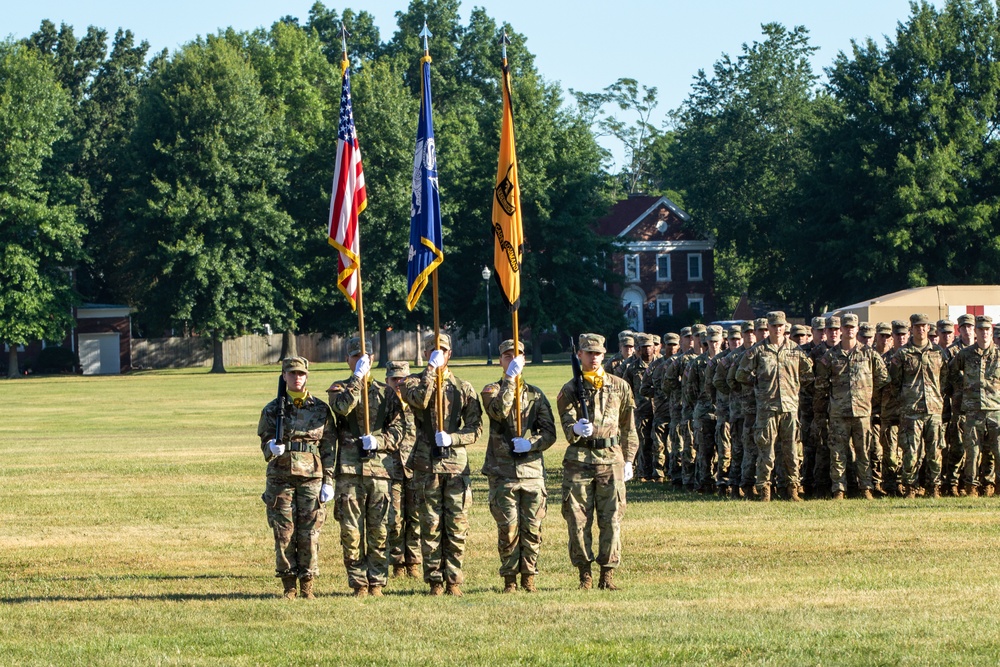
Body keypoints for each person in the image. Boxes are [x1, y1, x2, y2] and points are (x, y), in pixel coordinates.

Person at [399, 332, 483, 596]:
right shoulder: (411, 382)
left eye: (443, 350)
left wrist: (454, 437)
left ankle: (454, 580)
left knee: (456, 526)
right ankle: (435, 581)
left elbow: (475, 428)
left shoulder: (463, 387)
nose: (439, 353)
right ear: (425, 354)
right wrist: (430, 371)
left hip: (455, 465)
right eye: (433, 350)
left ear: (450, 354)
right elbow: (421, 400)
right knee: (430, 525)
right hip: (426, 464)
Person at [557, 333, 639, 591]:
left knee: (612, 518)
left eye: (598, 353)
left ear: (604, 355)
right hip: (579, 460)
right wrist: (575, 429)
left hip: (611, 459)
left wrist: (629, 459)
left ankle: (607, 574)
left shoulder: (619, 386)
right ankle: (585, 574)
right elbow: (565, 420)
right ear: (579, 354)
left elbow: (629, 427)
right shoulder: (570, 389)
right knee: (577, 519)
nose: (593, 358)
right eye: (588, 353)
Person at [326, 337, 405, 597]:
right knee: (351, 532)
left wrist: (380, 440)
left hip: (379, 471)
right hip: (349, 471)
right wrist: (357, 380)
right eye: (355, 356)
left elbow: (398, 429)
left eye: (365, 357)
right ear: (348, 360)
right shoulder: (339, 388)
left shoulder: (387, 392)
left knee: (380, 529)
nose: (361, 360)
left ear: (372, 359)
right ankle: (359, 582)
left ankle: (378, 582)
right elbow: (341, 408)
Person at [257, 356, 337, 600]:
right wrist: (271, 446)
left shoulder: (321, 408)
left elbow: (329, 446)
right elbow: (264, 444)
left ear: (307, 376)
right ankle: (289, 585)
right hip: (281, 478)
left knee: (310, 532)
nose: (297, 378)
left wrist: (329, 481)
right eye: (292, 374)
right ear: (284, 376)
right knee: (284, 532)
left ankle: (308, 584)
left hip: (312, 478)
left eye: (301, 374)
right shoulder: (273, 409)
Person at [481, 339, 557, 593]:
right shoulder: (491, 389)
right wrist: (510, 381)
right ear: (501, 359)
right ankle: (510, 579)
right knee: (508, 529)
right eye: (507, 356)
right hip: (503, 472)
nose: (513, 359)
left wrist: (531, 444)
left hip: (532, 472)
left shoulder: (536, 394)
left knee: (532, 529)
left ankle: (529, 577)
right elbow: (499, 412)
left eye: (518, 356)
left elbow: (550, 433)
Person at [736, 311, 813, 502]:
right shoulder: (758, 350)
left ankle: (792, 489)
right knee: (766, 451)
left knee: (792, 451)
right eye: (774, 326)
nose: (778, 329)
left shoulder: (795, 350)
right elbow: (741, 375)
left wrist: (794, 385)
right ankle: (764, 490)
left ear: (785, 327)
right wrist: (759, 385)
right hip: (767, 408)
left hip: (789, 407)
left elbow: (809, 372)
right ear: (768, 327)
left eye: (781, 326)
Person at [813, 314, 888, 500]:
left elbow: (883, 379)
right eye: (845, 327)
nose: (849, 330)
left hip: (862, 412)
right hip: (839, 412)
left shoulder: (869, 354)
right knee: (838, 453)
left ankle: (865, 488)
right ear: (841, 330)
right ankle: (839, 488)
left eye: (852, 327)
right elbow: (821, 385)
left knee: (864, 451)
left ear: (857, 329)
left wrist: (870, 397)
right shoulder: (830, 357)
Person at [888, 314, 949, 498]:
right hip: (911, 410)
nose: (921, 329)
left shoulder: (938, 353)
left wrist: (937, 398)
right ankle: (910, 488)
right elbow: (894, 382)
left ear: (928, 329)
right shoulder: (902, 354)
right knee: (910, 453)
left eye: (924, 326)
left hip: (933, 410)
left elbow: (944, 380)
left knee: (935, 452)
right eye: (917, 326)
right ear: (911, 329)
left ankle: (933, 488)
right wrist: (905, 400)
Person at [949, 315, 1000, 497]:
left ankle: (995, 485)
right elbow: (951, 372)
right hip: (972, 410)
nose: (984, 333)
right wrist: (962, 389)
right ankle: (971, 486)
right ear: (976, 332)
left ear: (991, 331)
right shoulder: (965, 354)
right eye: (981, 329)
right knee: (972, 450)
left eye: (987, 329)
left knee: (997, 450)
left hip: (995, 410)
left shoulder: (998, 354)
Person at [384, 361, 421, 579]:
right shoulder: (382, 404)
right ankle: (398, 562)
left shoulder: (417, 404)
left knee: (415, 517)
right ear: (387, 380)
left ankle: (414, 562)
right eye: (394, 379)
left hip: (415, 466)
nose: (398, 383)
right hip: (391, 468)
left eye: (402, 379)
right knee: (394, 518)